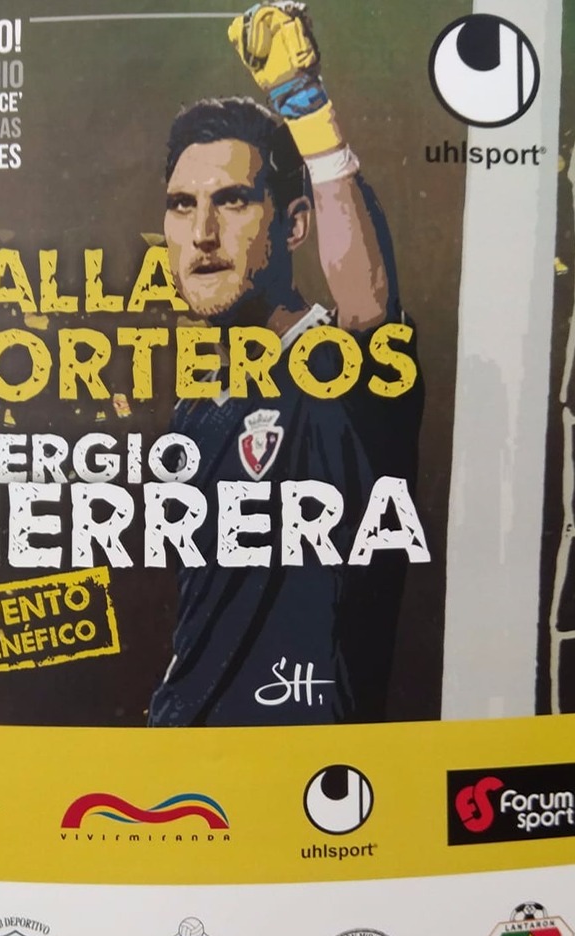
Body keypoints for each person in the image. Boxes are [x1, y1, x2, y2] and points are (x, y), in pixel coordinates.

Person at [148, 2, 425, 727]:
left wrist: (304, 105)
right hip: (182, 750)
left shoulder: (336, 368)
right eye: (181, 205)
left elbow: (367, 303)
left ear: (294, 223)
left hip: (304, 759)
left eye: (233, 201)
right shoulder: (196, 403)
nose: (202, 233)